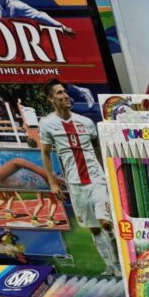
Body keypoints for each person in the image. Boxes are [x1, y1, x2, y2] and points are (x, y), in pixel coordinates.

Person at [39, 79, 121, 277]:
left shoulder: (86, 122)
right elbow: (45, 153)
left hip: (96, 179)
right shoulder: (47, 124)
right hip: (75, 184)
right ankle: (109, 266)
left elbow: (97, 148)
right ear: (50, 98)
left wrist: (108, 173)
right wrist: (52, 183)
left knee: (105, 222)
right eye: (59, 93)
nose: (65, 96)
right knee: (94, 229)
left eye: (65, 92)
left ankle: (119, 265)